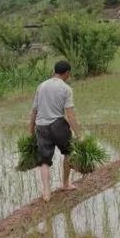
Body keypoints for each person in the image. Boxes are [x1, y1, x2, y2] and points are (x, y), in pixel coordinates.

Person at [29, 60, 81, 202]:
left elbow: (34, 111)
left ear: (54, 71)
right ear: (67, 73)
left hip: (41, 126)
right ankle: (65, 184)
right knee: (69, 152)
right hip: (58, 125)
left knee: (44, 161)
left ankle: (47, 193)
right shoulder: (66, 89)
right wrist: (79, 135)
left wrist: (31, 131)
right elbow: (70, 115)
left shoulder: (41, 86)